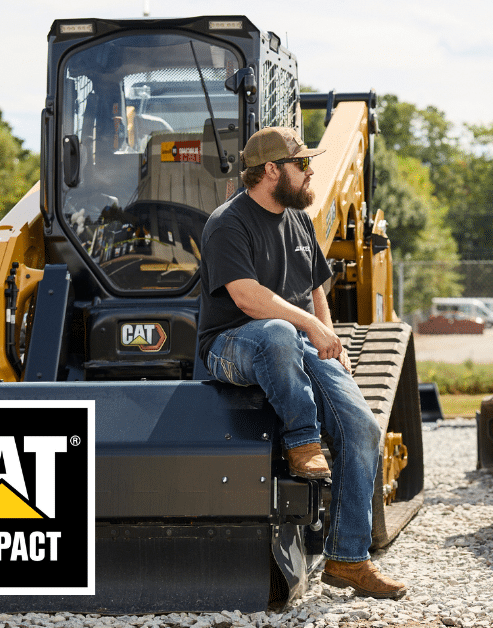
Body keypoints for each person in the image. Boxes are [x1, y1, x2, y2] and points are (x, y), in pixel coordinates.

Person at [196, 126, 407, 600]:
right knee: (277, 331)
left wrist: (331, 341)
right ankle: (302, 441)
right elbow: (247, 297)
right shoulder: (227, 223)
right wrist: (310, 326)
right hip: (232, 344)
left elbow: (314, 291)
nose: (311, 171)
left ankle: (348, 559)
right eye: (302, 163)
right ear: (271, 170)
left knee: (362, 428)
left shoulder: (299, 221)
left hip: (296, 343)